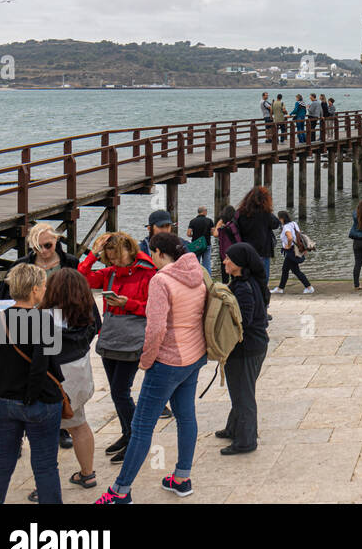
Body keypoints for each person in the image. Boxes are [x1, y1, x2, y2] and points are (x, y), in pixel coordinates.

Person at [96, 232, 208, 502]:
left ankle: (120, 491)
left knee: (142, 425)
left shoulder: (162, 279)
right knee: (186, 416)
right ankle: (182, 477)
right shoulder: (197, 273)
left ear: (158, 253)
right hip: (193, 356)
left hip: (168, 361)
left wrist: (146, 360)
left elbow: (156, 328)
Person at [0, 263, 64, 503]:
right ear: (34, 290)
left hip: (2, 402)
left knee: (0, 467)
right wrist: (30, 397)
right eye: (43, 286)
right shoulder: (44, 321)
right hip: (39, 403)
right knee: (45, 468)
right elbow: (40, 366)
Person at [79, 231, 158, 462]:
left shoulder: (149, 273)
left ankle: (135, 438)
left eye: (116, 256)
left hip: (133, 339)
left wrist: (128, 303)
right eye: (109, 257)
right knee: (117, 392)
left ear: (129, 250)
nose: (113, 261)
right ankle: (127, 434)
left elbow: (153, 308)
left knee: (120, 391)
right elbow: (79, 280)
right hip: (112, 337)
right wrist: (92, 255)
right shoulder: (110, 273)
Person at [33, 267, 101, 499]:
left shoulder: (42, 316)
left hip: (54, 379)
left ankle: (45, 485)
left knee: (47, 432)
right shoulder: (87, 311)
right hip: (80, 374)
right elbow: (96, 329)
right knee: (79, 424)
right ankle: (87, 473)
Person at [218, 243, 269, 455]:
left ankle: (246, 441)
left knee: (243, 393)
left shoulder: (244, 288)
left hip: (246, 349)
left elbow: (243, 322)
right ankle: (233, 428)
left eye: (228, 258)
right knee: (239, 389)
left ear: (239, 264)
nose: (224, 261)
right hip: (253, 346)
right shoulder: (245, 283)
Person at [234, 186, 280, 284]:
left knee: (247, 279)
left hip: (246, 251)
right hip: (263, 250)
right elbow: (276, 224)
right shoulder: (265, 213)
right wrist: (269, 211)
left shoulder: (240, 213)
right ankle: (261, 297)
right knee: (263, 280)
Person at [273, 210, 313, 294]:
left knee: (295, 271)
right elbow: (299, 235)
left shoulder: (286, 227)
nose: (278, 220)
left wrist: (288, 245)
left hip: (291, 251)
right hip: (295, 249)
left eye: (279, 218)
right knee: (285, 269)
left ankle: (309, 287)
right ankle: (280, 288)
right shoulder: (294, 223)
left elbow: (290, 238)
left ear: (282, 219)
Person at [213, 204, 239, 283]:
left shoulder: (223, 225)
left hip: (224, 249)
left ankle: (225, 284)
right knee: (235, 268)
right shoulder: (235, 223)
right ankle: (235, 283)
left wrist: (219, 223)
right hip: (235, 248)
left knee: (224, 268)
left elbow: (215, 234)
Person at [186, 206, 215, 271]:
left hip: (196, 245)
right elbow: (213, 233)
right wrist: (208, 234)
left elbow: (188, 234)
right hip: (207, 244)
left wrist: (193, 235)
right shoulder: (209, 221)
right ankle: (208, 280)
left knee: (196, 264)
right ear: (204, 212)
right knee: (207, 264)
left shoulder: (192, 221)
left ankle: (196, 279)